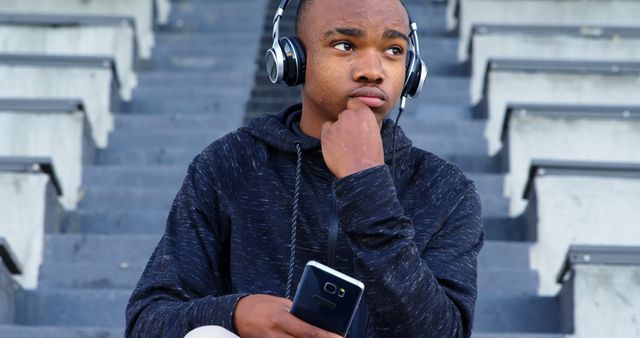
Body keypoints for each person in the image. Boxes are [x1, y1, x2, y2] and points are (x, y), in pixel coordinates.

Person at [125, 0, 484, 337]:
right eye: (345, 45)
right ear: (294, 59)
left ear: (410, 72)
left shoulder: (446, 189)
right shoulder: (228, 164)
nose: (373, 71)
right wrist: (235, 314)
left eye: (393, 51)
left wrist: (366, 183)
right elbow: (147, 319)